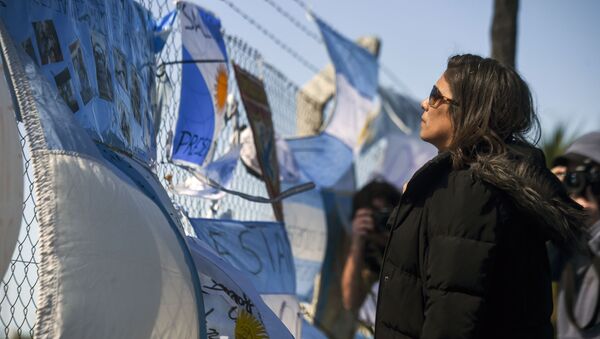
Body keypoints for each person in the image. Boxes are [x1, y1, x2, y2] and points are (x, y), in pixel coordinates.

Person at [375, 54, 586, 339]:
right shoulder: (467, 184)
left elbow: (451, 315)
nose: (425, 103)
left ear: (470, 111)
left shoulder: (469, 189)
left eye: (437, 95)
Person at [550, 132, 600, 338]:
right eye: (570, 177)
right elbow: (539, 266)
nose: (576, 185)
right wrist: (549, 197)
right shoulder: (571, 238)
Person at [341, 180, 401, 337]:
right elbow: (350, 301)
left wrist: (393, 237)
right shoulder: (365, 253)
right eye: (375, 215)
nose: (381, 220)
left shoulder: (410, 240)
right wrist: (357, 242)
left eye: (386, 213)